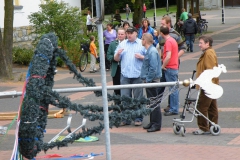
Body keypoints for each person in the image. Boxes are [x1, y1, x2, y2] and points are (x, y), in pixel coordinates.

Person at [114, 27, 145, 126]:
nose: (129, 35)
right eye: (128, 33)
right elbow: (116, 59)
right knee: (125, 98)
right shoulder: (122, 44)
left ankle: (138, 118)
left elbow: (149, 58)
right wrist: (118, 54)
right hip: (125, 75)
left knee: (138, 98)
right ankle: (126, 118)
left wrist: (142, 57)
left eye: (131, 33)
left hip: (137, 75)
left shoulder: (141, 44)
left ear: (136, 33)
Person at [157, 16, 186, 113]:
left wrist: (175, 57)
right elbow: (161, 48)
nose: (161, 25)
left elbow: (183, 48)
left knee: (172, 86)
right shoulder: (161, 36)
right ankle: (156, 104)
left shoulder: (175, 35)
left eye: (163, 24)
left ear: (169, 24)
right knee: (162, 85)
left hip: (170, 64)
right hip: (164, 63)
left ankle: (172, 107)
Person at [193, 36, 219, 135]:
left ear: (207, 43)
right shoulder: (209, 52)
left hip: (208, 85)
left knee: (202, 106)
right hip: (212, 85)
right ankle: (214, 126)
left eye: (201, 43)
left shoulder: (208, 53)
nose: (199, 45)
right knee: (212, 107)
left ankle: (203, 127)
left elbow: (210, 70)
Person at [140, 33, 162, 132]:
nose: (141, 40)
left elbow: (153, 68)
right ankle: (153, 122)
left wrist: (148, 80)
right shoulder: (149, 50)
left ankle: (156, 124)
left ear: (145, 40)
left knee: (154, 102)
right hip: (150, 80)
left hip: (152, 81)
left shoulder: (152, 52)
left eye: (142, 38)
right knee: (151, 102)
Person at [160, 26, 179, 116]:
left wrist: (163, 66)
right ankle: (173, 107)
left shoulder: (168, 42)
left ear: (161, 33)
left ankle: (174, 109)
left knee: (173, 89)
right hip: (173, 67)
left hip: (170, 67)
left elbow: (168, 56)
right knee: (173, 88)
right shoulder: (172, 40)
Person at [107, 28, 126, 96]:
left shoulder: (128, 44)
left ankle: (125, 104)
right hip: (116, 68)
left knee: (125, 89)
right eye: (119, 34)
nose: (120, 35)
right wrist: (115, 58)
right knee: (116, 88)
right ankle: (117, 104)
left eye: (122, 34)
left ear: (125, 35)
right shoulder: (112, 44)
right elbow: (108, 56)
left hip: (125, 68)